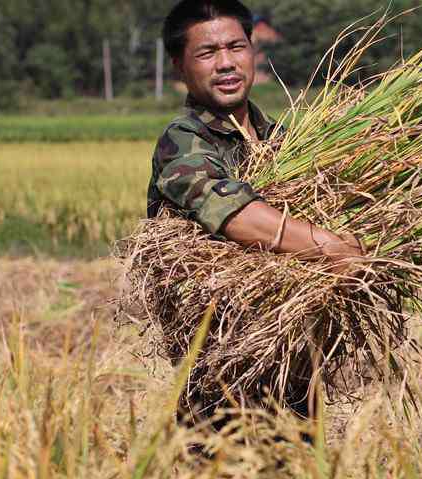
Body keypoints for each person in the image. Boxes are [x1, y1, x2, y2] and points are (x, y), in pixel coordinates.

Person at [148, 0, 364, 431]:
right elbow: (232, 214)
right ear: (179, 65)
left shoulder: (283, 140)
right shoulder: (185, 140)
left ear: (253, 51)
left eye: (236, 47)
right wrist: (335, 248)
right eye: (207, 53)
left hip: (294, 359)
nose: (226, 63)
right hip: (222, 369)